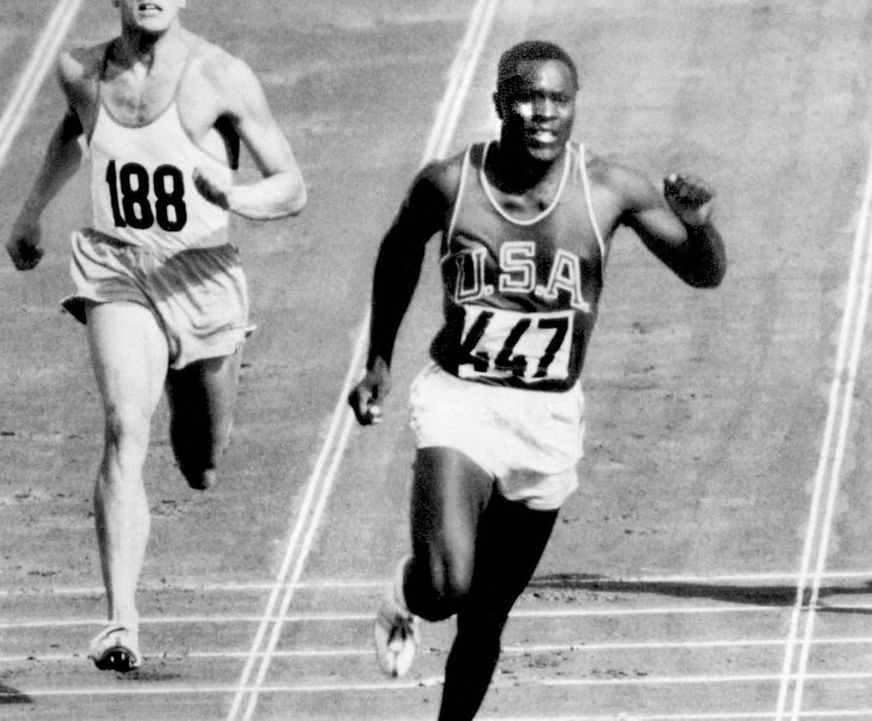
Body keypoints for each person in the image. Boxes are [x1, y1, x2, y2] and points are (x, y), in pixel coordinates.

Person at [346, 40, 725, 719]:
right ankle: (404, 593)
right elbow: (400, 247)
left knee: (486, 617)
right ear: (499, 105)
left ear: (574, 107)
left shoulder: (609, 188)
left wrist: (701, 228)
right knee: (446, 583)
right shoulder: (450, 183)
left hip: (548, 418)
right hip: (462, 400)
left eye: (559, 99)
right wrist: (377, 357)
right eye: (529, 97)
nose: (544, 113)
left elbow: (704, 272)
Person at [5, 0, 306, 671]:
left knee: (200, 461)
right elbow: (74, 127)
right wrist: (31, 211)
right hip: (117, 268)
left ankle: (190, 400)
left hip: (201, 277)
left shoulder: (220, 76)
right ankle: (121, 621)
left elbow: (291, 185)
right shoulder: (79, 69)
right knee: (123, 425)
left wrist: (234, 196)